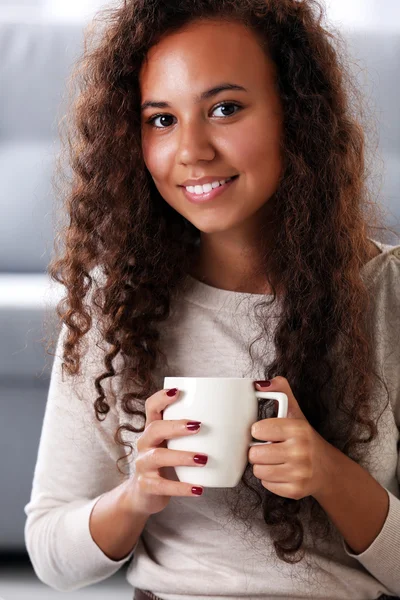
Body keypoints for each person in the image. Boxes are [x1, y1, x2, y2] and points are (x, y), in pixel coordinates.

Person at [24, 0, 400, 598]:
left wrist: (330, 474)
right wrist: (137, 494)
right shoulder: (112, 304)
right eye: (161, 119)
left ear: (295, 116)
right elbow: (50, 554)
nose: (192, 149)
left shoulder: (388, 295)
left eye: (225, 109)